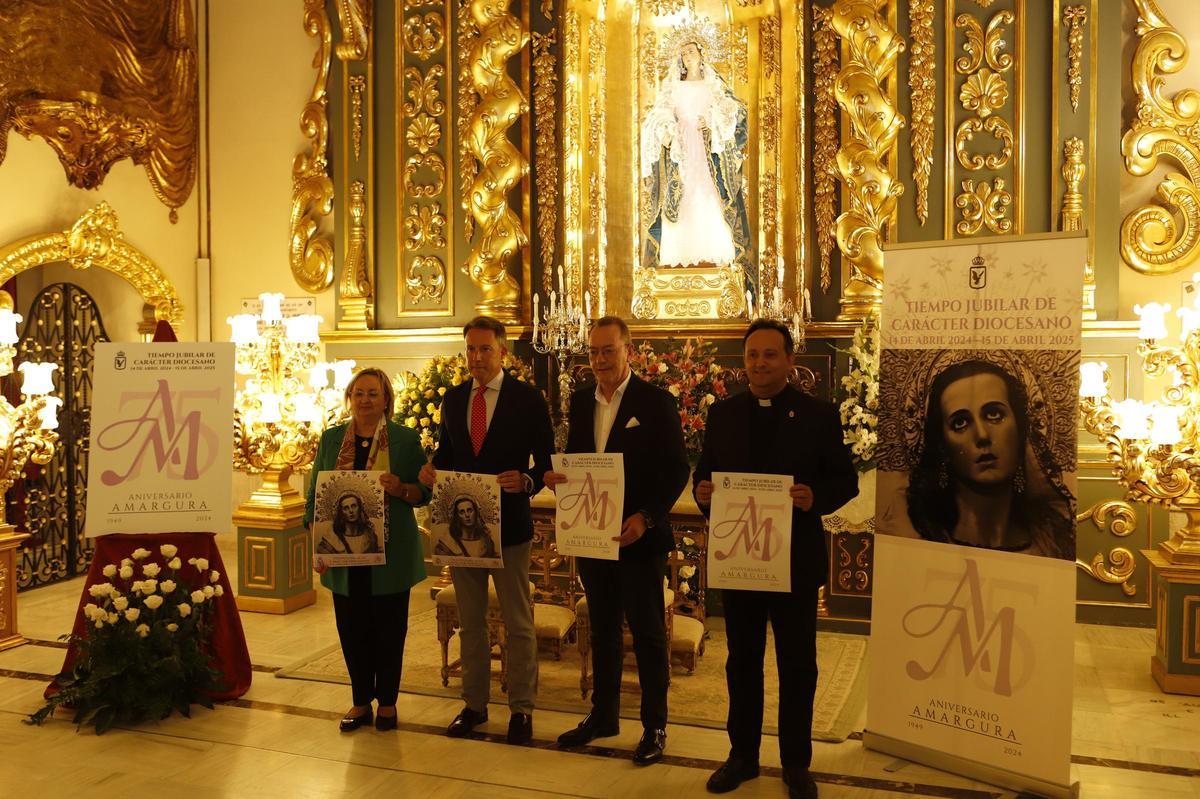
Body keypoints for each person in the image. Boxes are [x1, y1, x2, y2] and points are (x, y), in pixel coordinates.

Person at [693, 319, 858, 799]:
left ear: (790, 360)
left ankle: (796, 763)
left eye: (770, 355)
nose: (760, 364)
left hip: (793, 562)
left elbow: (844, 481)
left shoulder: (818, 415)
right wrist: (705, 494)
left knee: (797, 665)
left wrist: (813, 496)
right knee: (742, 661)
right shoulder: (723, 415)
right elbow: (707, 479)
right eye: (752, 356)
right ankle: (741, 756)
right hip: (740, 559)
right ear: (743, 362)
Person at [545, 315, 690, 766]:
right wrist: (559, 475)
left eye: (609, 350)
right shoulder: (583, 398)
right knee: (602, 629)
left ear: (629, 351)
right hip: (593, 535)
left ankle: (654, 726)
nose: (600, 359)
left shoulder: (656, 401)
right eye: (593, 352)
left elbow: (676, 469)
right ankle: (603, 715)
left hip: (639, 539)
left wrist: (646, 518)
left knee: (646, 635)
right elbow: (582, 459)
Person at [419, 316, 555, 745]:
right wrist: (432, 469)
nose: (476, 358)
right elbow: (448, 452)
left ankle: (521, 710)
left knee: (518, 622)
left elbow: (548, 464)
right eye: (471, 350)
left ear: (503, 352)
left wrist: (528, 480)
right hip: (461, 531)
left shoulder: (528, 400)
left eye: (484, 349)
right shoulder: (454, 400)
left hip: (511, 526)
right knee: (471, 622)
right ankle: (474, 705)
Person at [305, 366, 430, 733]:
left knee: (390, 631)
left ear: (386, 400)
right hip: (343, 554)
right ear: (350, 397)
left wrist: (400, 488)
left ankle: (388, 703)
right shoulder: (330, 440)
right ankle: (360, 701)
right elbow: (315, 495)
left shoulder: (405, 441)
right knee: (352, 628)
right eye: (359, 393)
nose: (365, 400)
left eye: (373, 393)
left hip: (390, 555)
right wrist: (317, 543)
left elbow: (424, 492)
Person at [906, 359, 1073, 558]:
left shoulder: (1054, 545)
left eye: (994, 414)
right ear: (942, 444)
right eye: (960, 423)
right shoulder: (919, 546)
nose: (982, 435)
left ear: (1020, 428)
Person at [641, 21, 752, 291]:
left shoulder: (713, 85)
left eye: (691, 51)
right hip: (681, 151)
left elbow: (735, 111)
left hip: (706, 151)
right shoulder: (673, 87)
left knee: (710, 197)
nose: (687, 56)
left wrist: (712, 121)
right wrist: (666, 128)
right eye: (684, 52)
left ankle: (715, 257)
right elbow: (657, 114)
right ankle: (678, 258)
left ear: (702, 53)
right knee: (681, 199)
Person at [434, 496, 499, 559]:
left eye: (470, 510)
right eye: (462, 512)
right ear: (457, 516)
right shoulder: (447, 543)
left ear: (476, 512)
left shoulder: (487, 541)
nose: (467, 515)